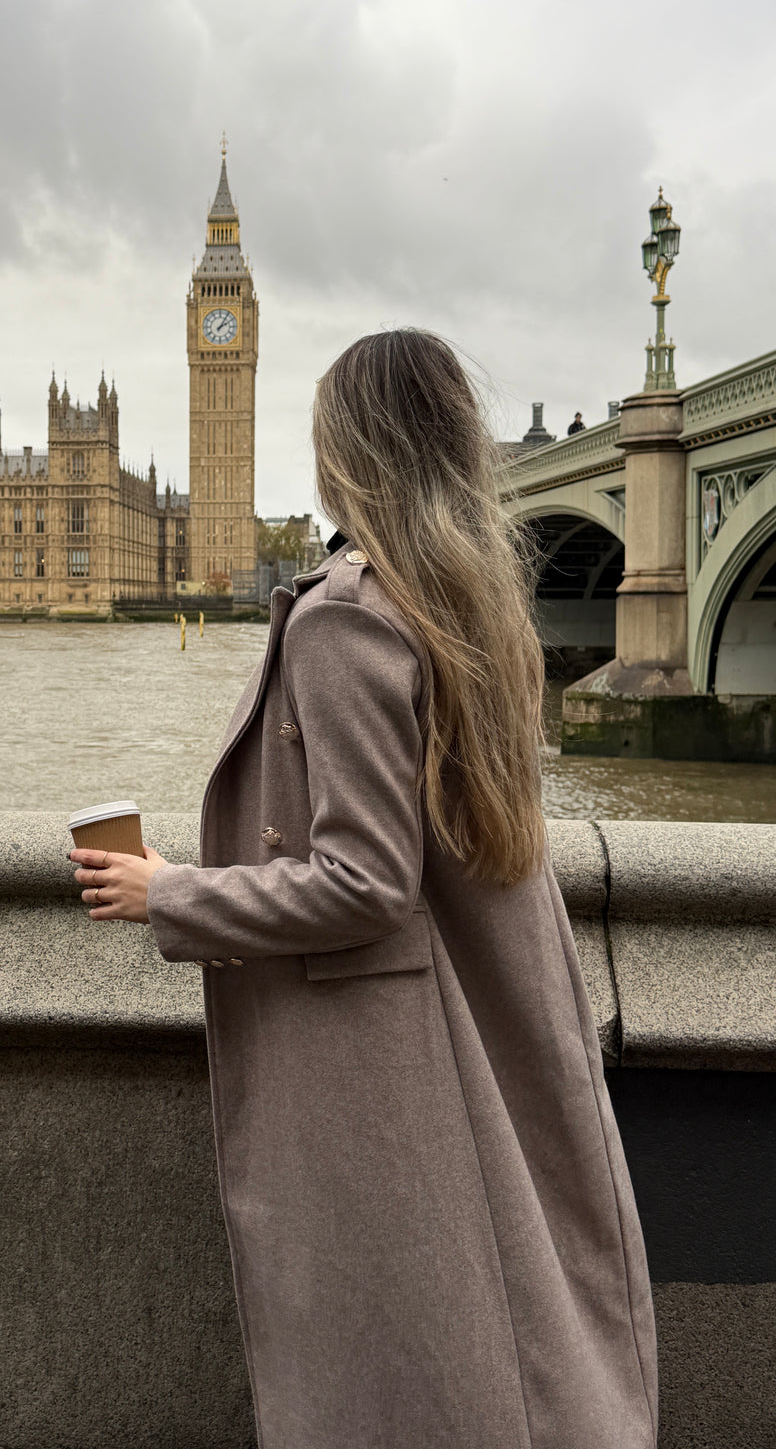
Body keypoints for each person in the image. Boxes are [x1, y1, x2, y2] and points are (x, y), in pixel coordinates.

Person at [70, 329, 657, 1449]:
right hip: (499, 1020)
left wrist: (172, 893)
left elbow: (365, 878)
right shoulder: (472, 602)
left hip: (393, 1060)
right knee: (527, 1329)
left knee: (404, 1369)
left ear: (347, 453)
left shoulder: (346, 614)